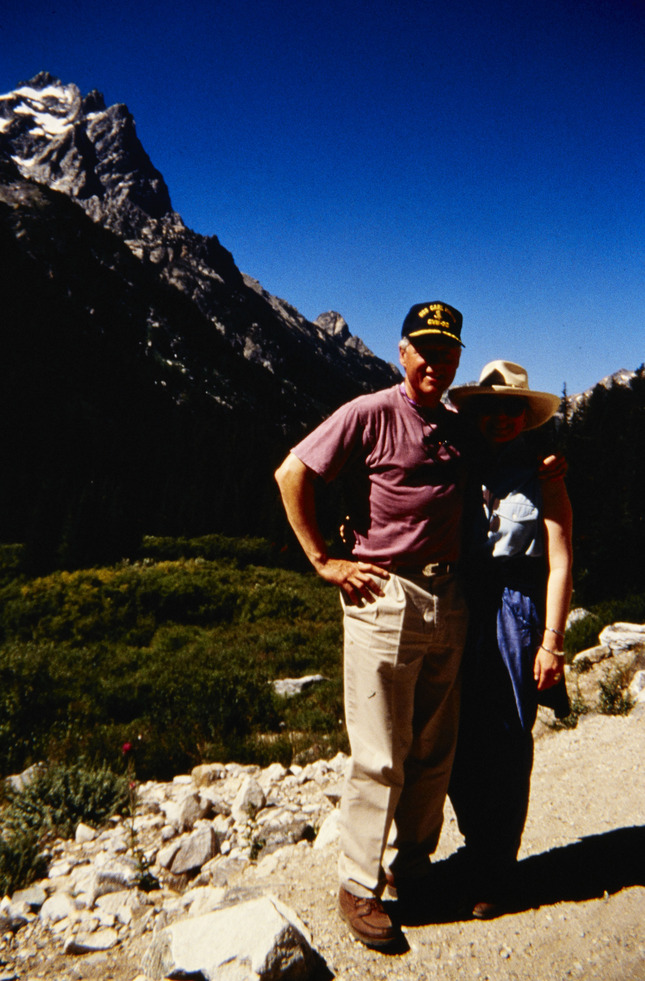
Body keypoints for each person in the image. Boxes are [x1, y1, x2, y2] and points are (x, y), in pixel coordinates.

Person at [274, 301, 473, 948]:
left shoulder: (455, 424)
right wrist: (322, 561)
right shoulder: (370, 412)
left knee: (433, 749)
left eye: (446, 352)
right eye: (424, 350)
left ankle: (411, 868)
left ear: (457, 359)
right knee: (380, 754)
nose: (434, 362)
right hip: (385, 594)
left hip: (447, 595)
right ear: (402, 352)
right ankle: (358, 885)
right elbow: (291, 472)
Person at [447, 360, 573, 919]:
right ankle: (476, 846)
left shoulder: (546, 474)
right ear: (475, 413)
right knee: (454, 735)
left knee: (507, 740)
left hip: (515, 614)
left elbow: (561, 561)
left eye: (512, 409)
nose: (501, 418)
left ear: (526, 415)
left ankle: (497, 868)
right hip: (459, 606)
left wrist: (552, 642)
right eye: (490, 408)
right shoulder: (456, 462)